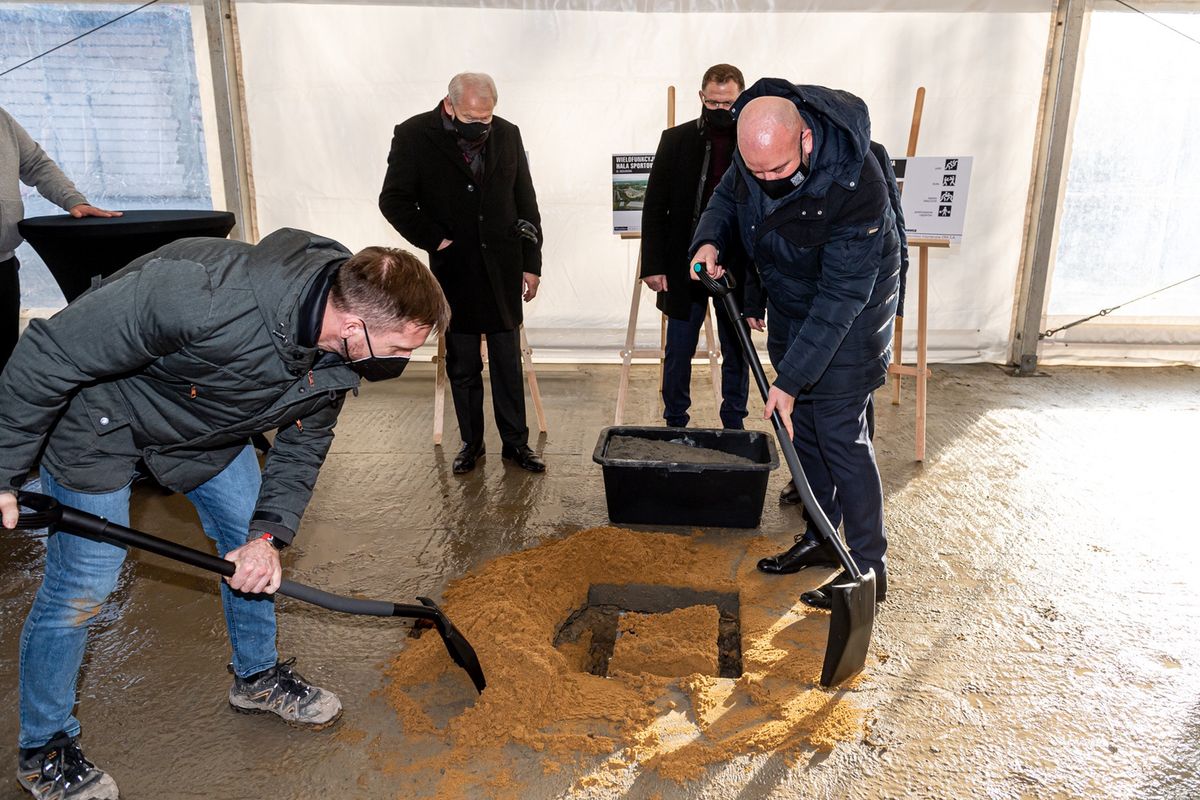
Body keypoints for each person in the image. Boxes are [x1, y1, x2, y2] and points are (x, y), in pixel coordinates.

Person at [0, 229, 450, 800]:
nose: (404, 361)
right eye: (401, 348)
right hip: (102, 423)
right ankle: (44, 748)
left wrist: (268, 534)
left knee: (251, 544)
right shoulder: (199, 294)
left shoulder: (339, 351)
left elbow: (304, 440)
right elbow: (50, 352)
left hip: (211, 427)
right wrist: (4, 468)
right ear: (354, 326)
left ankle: (256, 677)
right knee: (84, 585)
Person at [691, 79, 902, 608]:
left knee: (838, 437)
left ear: (805, 140)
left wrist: (790, 380)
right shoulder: (758, 151)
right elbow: (726, 195)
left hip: (851, 313)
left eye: (776, 171)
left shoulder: (857, 182)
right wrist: (710, 238)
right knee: (800, 430)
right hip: (792, 299)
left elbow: (843, 294)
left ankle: (868, 571)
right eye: (755, 169)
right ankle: (822, 538)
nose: (764, 180)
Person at [379, 72, 545, 475]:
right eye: (471, 116)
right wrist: (435, 240)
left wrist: (531, 262)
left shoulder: (508, 133)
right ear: (450, 105)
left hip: (504, 266)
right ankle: (472, 444)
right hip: (454, 270)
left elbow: (525, 198)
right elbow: (394, 200)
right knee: (463, 364)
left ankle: (516, 444)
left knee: (508, 363)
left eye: (487, 117)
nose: (480, 124)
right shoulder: (415, 134)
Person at [640, 64, 763, 430]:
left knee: (737, 348)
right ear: (701, 97)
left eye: (728, 103)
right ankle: (675, 420)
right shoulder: (676, 140)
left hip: (738, 261)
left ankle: (734, 422)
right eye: (713, 102)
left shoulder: (755, 141)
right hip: (683, 260)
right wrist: (652, 264)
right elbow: (654, 205)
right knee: (679, 348)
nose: (720, 110)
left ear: (742, 97)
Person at [0, 105, 121, 374]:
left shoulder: (2, 118)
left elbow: (35, 163)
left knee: (4, 360)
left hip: (4, 265)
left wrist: (72, 200)